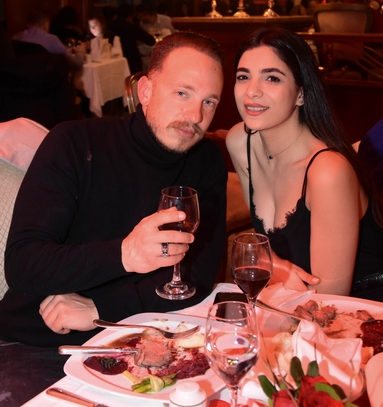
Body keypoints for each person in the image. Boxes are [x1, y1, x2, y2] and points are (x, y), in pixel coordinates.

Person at [1, 32, 228, 350]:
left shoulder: (207, 161)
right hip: (39, 342)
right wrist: (125, 254)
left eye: (209, 102)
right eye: (182, 93)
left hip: (137, 338)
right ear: (145, 91)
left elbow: (197, 276)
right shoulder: (74, 143)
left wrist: (102, 308)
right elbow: (23, 264)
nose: (196, 116)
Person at [226, 27, 383, 296]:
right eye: (243, 76)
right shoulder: (240, 142)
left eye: (272, 78)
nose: (252, 91)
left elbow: (331, 298)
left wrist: (271, 265)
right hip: (299, 300)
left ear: (301, 94)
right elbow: (263, 246)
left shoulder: (327, 171)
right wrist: (273, 264)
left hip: (373, 305)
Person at [12, 10, 86, 71]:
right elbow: (76, 65)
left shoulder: (15, 38)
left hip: (20, 82)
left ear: (28, 24)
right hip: (46, 82)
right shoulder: (52, 40)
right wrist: (80, 53)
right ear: (46, 24)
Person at [109, 3, 156, 73]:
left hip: (114, 61)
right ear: (129, 16)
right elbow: (151, 41)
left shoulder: (110, 26)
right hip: (131, 62)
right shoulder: (130, 27)